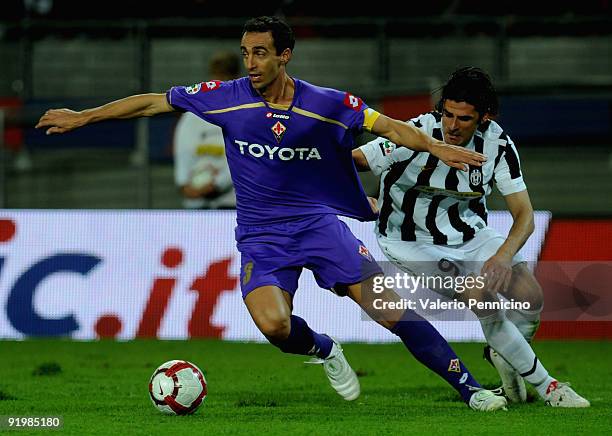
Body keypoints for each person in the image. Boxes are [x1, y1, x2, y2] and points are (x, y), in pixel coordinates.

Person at [36, 17, 506, 411]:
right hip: (261, 236)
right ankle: (324, 348)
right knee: (275, 327)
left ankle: (472, 390)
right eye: (245, 53)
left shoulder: (326, 103)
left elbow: (388, 127)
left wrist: (436, 146)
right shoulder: (226, 96)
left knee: (389, 310)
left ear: (285, 55)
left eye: (260, 53)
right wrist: (85, 116)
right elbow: (153, 102)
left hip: (318, 225)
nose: (251, 63)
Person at [353, 66, 590, 408]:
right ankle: (550, 387)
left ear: (484, 117)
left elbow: (524, 215)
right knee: (482, 297)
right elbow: (356, 161)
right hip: (409, 241)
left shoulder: (498, 145)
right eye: (447, 114)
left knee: (531, 298)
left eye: (463, 118)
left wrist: (503, 256)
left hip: (469, 234)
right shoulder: (418, 132)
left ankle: (504, 355)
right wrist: (350, 197)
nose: (451, 126)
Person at [174, 51, 240, 209]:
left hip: (230, 203)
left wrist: (217, 184)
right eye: (217, 75)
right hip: (196, 203)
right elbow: (183, 153)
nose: (220, 82)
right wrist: (184, 184)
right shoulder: (193, 114)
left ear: (235, 77)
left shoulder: (242, 114)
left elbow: (241, 157)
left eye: (226, 76)